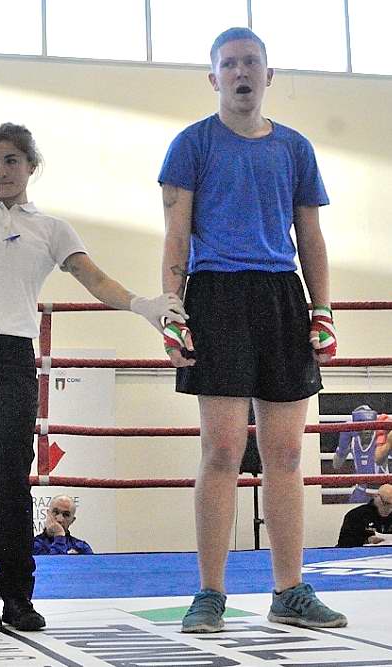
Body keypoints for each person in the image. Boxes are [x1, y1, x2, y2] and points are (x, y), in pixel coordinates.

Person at [0, 51, 187, 633]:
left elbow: (93, 279)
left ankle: (19, 595)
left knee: (10, 481)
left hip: (10, 356)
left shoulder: (51, 228)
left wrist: (144, 304)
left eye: (11, 160)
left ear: (31, 164)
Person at [158, 27, 346, 633]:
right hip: (214, 296)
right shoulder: (191, 144)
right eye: (230, 65)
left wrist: (323, 310)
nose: (242, 73)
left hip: (281, 297)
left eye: (251, 63)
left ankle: (289, 589)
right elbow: (176, 231)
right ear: (215, 78)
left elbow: (310, 235)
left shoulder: (295, 148)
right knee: (221, 451)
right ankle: (210, 592)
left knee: (287, 453)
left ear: (268, 75)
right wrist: (172, 308)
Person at [333, 405, 390, 503]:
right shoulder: (353, 440)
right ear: (357, 426)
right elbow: (336, 465)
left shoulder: (381, 439)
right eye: (363, 425)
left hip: (379, 491)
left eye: (370, 424)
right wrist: (342, 448)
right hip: (360, 491)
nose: (367, 429)